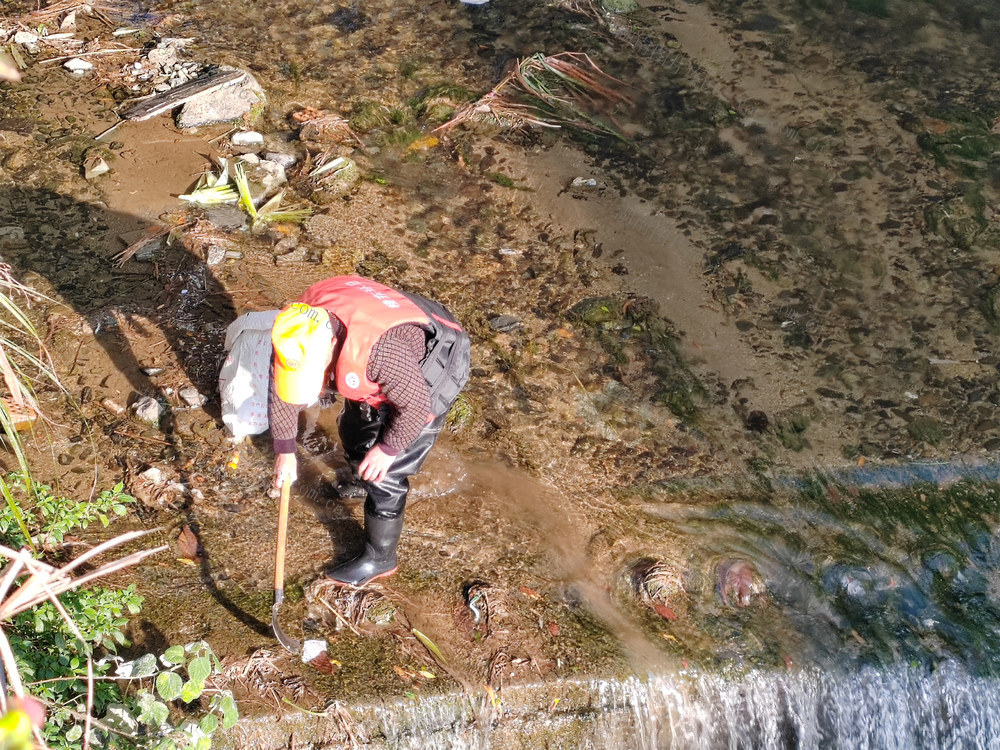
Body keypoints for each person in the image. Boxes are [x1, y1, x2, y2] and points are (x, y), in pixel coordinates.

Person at [269, 275, 470, 587]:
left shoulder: (381, 354)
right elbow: (281, 391)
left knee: (385, 473)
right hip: (384, 340)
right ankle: (359, 480)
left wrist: (387, 450)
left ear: (331, 346)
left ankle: (381, 558)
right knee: (354, 430)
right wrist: (284, 451)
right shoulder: (295, 330)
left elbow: (416, 407)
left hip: (433, 359)